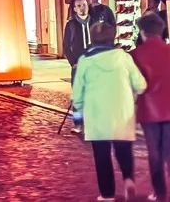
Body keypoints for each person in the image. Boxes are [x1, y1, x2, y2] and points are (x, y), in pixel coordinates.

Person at [72, 21, 146, 202]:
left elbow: (78, 93)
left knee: (102, 156)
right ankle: (128, 179)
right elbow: (141, 85)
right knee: (124, 149)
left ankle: (107, 195)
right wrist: (133, 94)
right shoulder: (124, 57)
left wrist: (78, 115)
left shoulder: (85, 61)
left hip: (97, 115)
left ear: (93, 39)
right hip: (122, 112)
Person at [132, 12, 170, 202]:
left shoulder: (136, 54)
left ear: (143, 32)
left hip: (149, 111)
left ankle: (160, 192)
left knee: (154, 153)